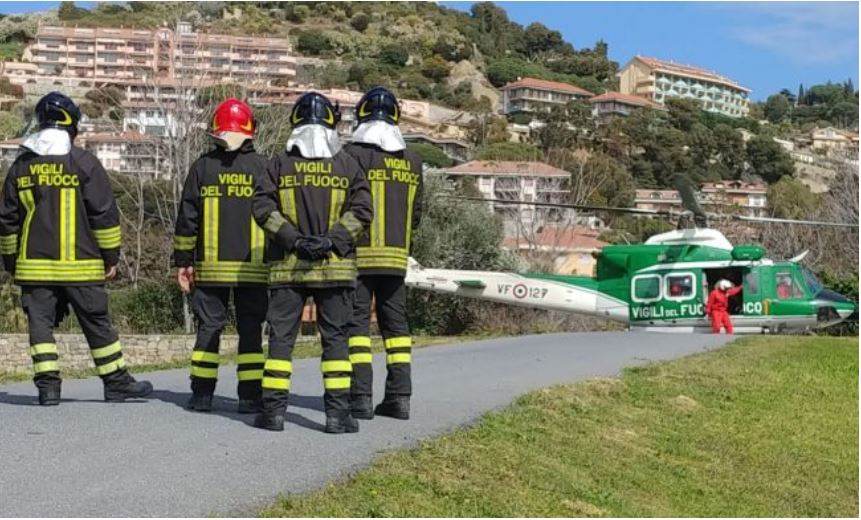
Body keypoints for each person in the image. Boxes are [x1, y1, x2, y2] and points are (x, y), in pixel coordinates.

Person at [0, 92, 152, 405]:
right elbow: (104, 216)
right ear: (73, 126)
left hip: (33, 267)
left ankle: (47, 388)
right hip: (82, 266)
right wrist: (111, 257)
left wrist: (12, 262)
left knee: (39, 326)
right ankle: (115, 381)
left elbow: (7, 221)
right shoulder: (84, 163)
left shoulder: (21, 167)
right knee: (96, 322)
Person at [251, 92, 372, 433]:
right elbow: (363, 213)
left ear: (295, 121)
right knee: (335, 341)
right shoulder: (348, 165)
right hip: (335, 270)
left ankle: (273, 413)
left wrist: (294, 240)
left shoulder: (278, 164)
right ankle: (337, 416)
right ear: (332, 123)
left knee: (280, 342)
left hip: (288, 270)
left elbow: (263, 210)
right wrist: (332, 241)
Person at [173, 98, 269, 413]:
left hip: (210, 269)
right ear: (250, 130)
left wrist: (183, 262)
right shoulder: (265, 168)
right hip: (253, 271)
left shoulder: (202, 167)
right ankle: (251, 397)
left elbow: (187, 219)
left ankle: (201, 395)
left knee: (208, 328)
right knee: (251, 332)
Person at [345, 86, 422, 421]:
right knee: (397, 329)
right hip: (395, 257)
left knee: (357, 327)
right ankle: (399, 397)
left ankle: (360, 398)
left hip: (358, 257)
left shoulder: (350, 155)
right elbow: (417, 213)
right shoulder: (414, 161)